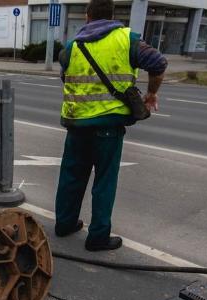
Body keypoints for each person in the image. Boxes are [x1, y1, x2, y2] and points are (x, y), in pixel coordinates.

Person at [54, 0, 166, 252]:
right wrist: (151, 93)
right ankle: (98, 237)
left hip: (77, 124)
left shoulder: (70, 48)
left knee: (71, 177)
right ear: (112, 16)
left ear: (87, 16)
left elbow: (66, 78)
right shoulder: (127, 41)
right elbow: (158, 63)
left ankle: (64, 223)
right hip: (108, 127)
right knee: (104, 181)